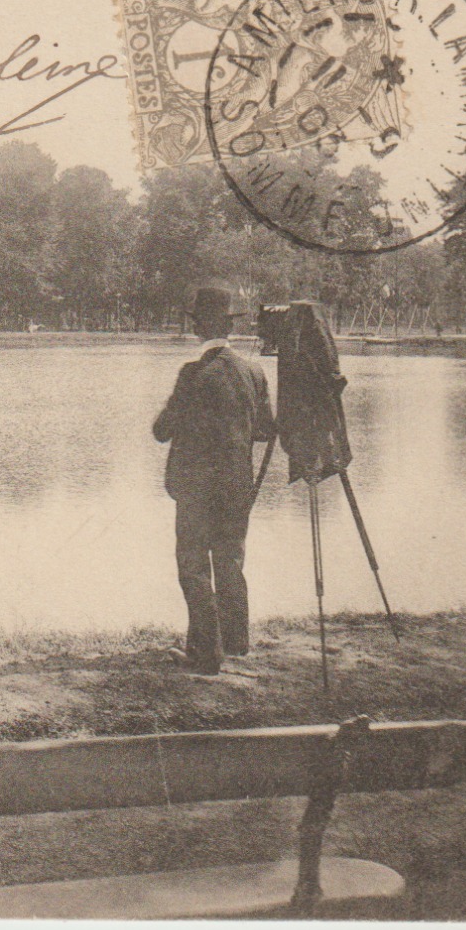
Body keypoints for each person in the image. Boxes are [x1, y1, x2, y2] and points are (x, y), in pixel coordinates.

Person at [152, 284, 277, 675]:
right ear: (227, 326)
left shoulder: (193, 374)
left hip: (196, 488)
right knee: (230, 562)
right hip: (238, 486)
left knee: (192, 565)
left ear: (199, 328)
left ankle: (205, 653)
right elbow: (265, 430)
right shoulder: (253, 371)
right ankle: (237, 645)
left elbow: (162, 430)